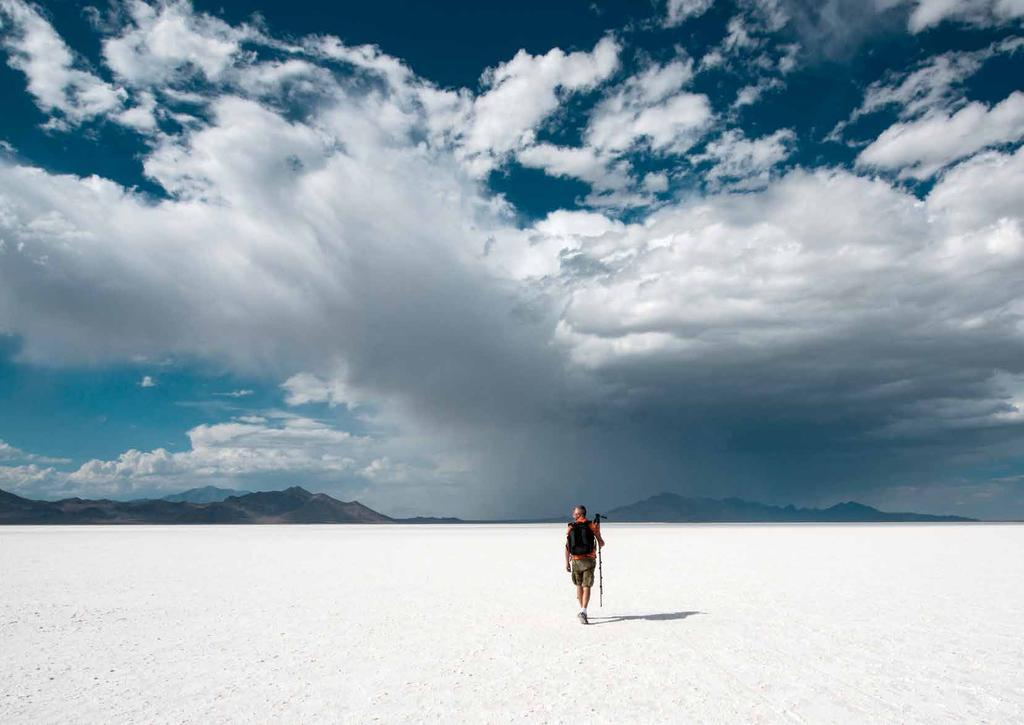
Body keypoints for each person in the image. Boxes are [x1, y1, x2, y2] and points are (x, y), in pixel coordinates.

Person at [565, 504, 605, 624]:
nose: (573, 515)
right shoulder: (591, 525)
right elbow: (601, 543)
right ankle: (584, 610)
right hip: (589, 560)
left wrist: (567, 562)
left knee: (579, 585)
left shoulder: (570, 527)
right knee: (586, 585)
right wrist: (598, 529)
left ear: (578, 514)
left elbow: (567, 547)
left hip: (576, 560)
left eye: (574, 513)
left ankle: (582, 610)